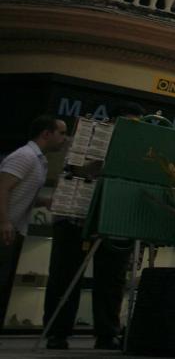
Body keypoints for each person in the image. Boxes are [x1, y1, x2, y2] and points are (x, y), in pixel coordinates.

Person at [44, 101, 145, 350]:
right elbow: (70, 170)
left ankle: (107, 333)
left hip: (114, 220)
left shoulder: (138, 150)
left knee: (111, 279)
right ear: (112, 122)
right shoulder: (87, 138)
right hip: (75, 216)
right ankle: (58, 332)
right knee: (65, 275)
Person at [0, 116, 68, 314]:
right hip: (5, 228)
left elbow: (19, 191)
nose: (65, 138)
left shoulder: (40, 160)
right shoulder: (25, 156)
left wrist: (44, 202)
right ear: (46, 133)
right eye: (61, 133)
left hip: (13, 229)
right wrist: (4, 221)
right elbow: (3, 188)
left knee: (5, 285)